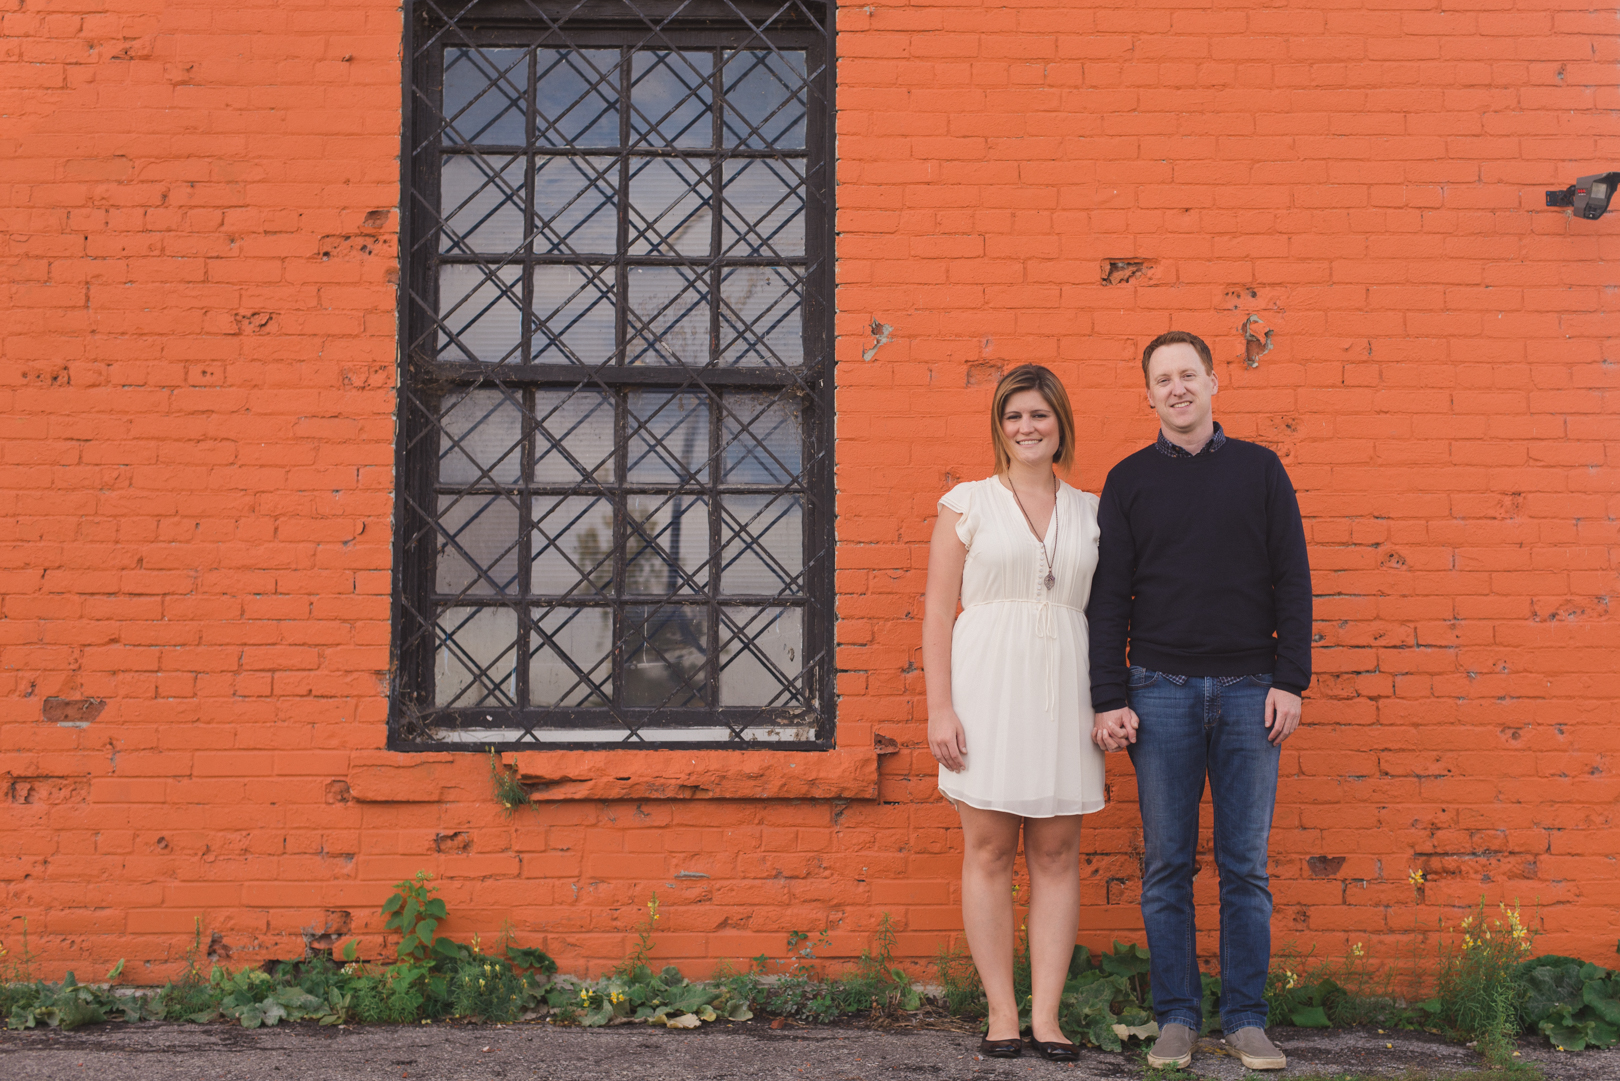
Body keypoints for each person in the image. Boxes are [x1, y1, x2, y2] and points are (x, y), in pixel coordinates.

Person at [1085, 330, 1311, 1071]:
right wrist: (1109, 694)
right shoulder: (1128, 481)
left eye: (1189, 374)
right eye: (1163, 378)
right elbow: (1108, 598)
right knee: (1167, 865)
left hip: (1252, 694)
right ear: (1147, 394)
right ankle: (1177, 1017)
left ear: (1215, 382)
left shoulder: (1261, 469)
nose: (1177, 388)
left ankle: (1246, 1018)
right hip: (1161, 694)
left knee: (1245, 866)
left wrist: (1290, 679)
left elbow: (1293, 581)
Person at [922, 364, 1105, 1062]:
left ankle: (1049, 1015)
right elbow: (940, 612)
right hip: (985, 689)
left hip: (1068, 688)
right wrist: (942, 707)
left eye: (1039, 415)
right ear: (999, 427)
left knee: (1057, 852)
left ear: (1060, 423)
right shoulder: (965, 504)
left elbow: (1111, 607)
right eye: (1013, 416)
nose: (1027, 427)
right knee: (991, 849)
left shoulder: (1092, 510)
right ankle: (1002, 1010)